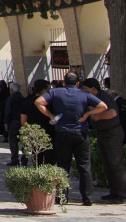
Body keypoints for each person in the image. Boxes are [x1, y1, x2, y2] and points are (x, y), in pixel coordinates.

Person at [35, 71, 107, 206]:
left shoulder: (56, 92)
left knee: (63, 166)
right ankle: (88, 198)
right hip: (81, 132)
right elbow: (103, 106)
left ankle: (62, 197)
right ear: (78, 83)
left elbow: (39, 102)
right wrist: (87, 114)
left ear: (64, 81)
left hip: (62, 133)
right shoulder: (85, 94)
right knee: (84, 166)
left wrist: (51, 116)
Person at [80, 77, 126, 202]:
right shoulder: (92, 99)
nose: (84, 91)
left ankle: (122, 195)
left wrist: (96, 116)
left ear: (94, 89)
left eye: (86, 89)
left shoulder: (103, 96)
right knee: (107, 164)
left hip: (112, 133)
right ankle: (114, 192)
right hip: (102, 133)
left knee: (116, 164)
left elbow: (112, 113)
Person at [20, 79, 55, 167]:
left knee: (36, 157)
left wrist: (28, 131)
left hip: (34, 134)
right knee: (50, 159)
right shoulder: (49, 102)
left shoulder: (27, 102)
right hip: (49, 133)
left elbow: (23, 121)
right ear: (44, 90)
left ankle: (37, 174)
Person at [3, 81, 25, 166]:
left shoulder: (10, 98)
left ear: (12, 90)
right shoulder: (23, 98)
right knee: (23, 140)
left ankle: (15, 159)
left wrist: (6, 122)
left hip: (13, 121)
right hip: (22, 121)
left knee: (13, 141)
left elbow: (8, 111)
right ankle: (24, 158)